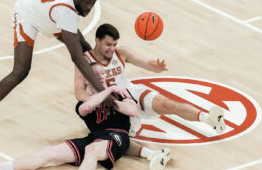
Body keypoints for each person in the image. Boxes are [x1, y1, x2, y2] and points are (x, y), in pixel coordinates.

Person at [0, 63, 170, 170]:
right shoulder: (89, 100)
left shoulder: (120, 92)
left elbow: (132, 110)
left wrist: (112, 95)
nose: (102, 77)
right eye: (97, 75)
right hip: (95, 137)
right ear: (88, 79)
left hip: (118, 136)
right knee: (50, 152)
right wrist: (108, 92)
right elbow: (86, 108)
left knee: (92, 150)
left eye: (103, 74)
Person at [0, 0, 122, 141]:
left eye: (93, 2)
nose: (89, 8)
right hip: (27, 16)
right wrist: (104, 93)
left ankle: (103, 89)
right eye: (87, 3)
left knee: (85, 47)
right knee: (21, 71)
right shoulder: (65, 12)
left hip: (48, 16)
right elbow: (75, 57)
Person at [74, 23, 226, 136]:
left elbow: (146, 63)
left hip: (130, 92)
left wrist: (156, 67)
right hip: (109, 105)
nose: (111, 49)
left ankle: (208, 118)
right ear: (97, 40)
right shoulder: (84, 61)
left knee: (167, 104)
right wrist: (100, 99)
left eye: (114, 44)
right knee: (126, 135)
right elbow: (79, 92)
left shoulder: (121, 52)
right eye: (108, 44)